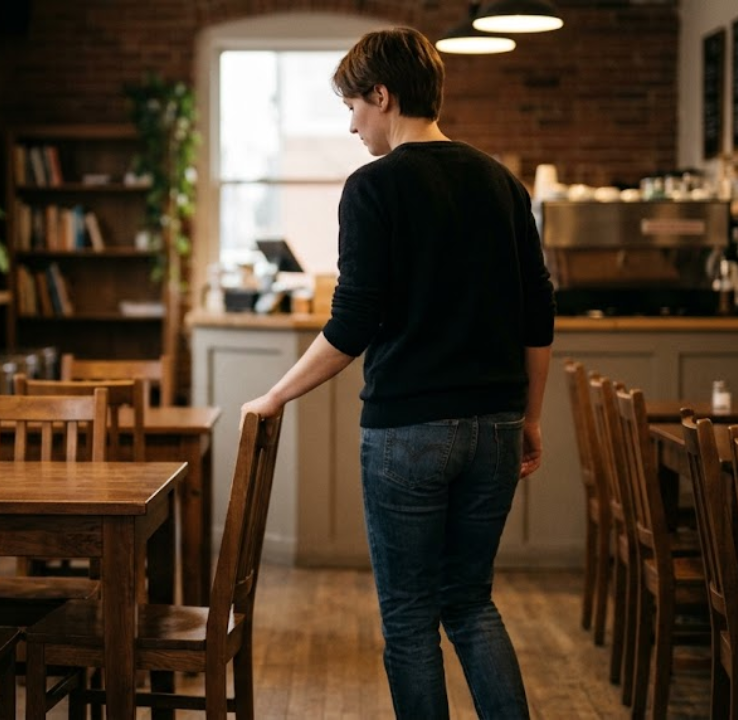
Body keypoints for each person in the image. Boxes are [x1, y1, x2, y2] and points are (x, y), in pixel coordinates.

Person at [240, 26, 555, 719]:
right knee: (471, 604)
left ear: (382, 96)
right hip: (497, 428)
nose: (351, 125)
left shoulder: (373, 188)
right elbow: (538, 319)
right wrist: (528, 417)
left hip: (409, 432)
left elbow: (352, 327)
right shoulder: (504, 183)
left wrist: (273, 395)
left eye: (353, 106)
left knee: (410, 619)